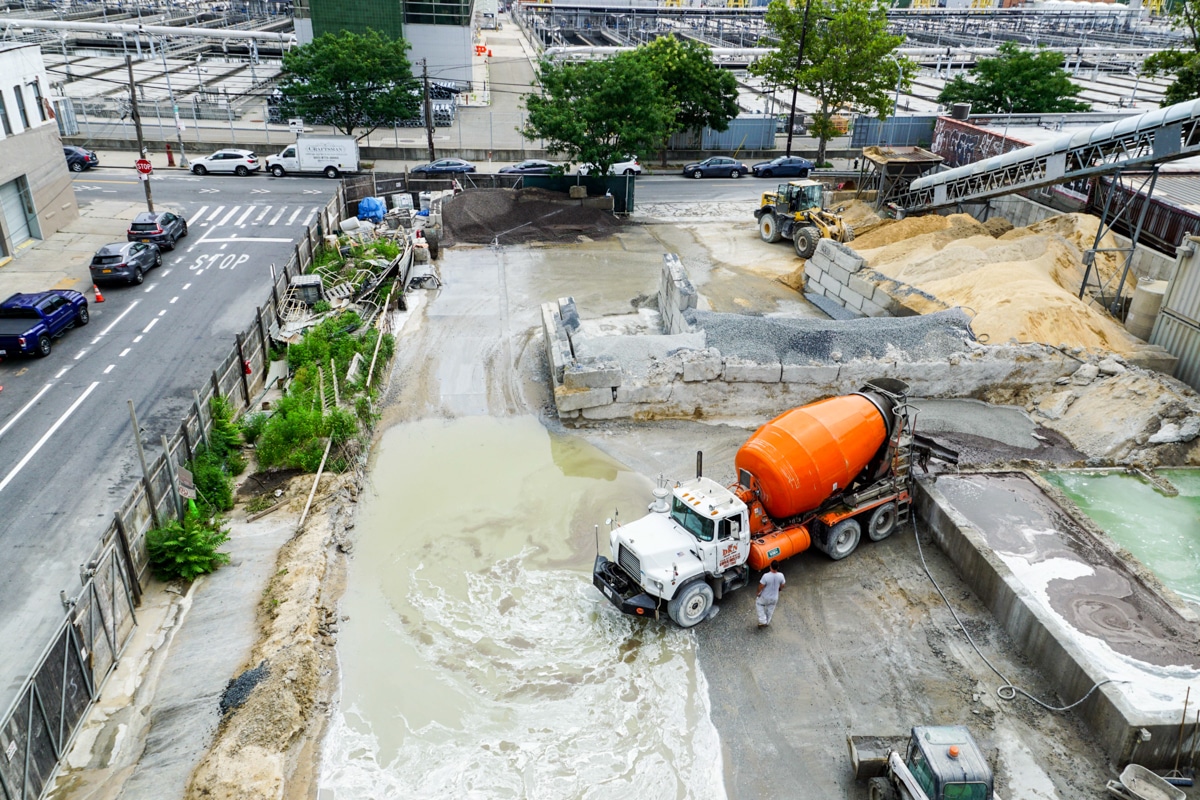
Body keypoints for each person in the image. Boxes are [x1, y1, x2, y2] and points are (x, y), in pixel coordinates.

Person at [756, 561, 785, 627]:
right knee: (770, 610)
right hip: (775, 597)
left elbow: (761, 586)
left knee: (759, 604)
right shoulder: (781, 575)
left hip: (765, 596)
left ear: (770, 566)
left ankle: (762, 620)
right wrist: (779, 589)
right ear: (778, 567)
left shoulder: (766, 576)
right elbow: (783, 585)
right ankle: (767, 622)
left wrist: (758, 592)